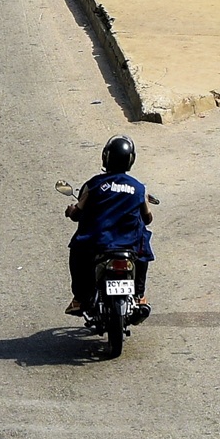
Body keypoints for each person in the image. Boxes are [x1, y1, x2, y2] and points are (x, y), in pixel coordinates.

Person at [66, 135, 153, 317]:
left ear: (105, 157)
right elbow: (148, 218)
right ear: (131, 160)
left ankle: (80, 298)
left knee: (77, 252)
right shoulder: (138, 188)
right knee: (143, 249)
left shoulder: (94, 185)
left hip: (98, 242)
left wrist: (71, 210)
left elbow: (77, 214)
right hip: (129, 243)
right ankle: (139, 296)